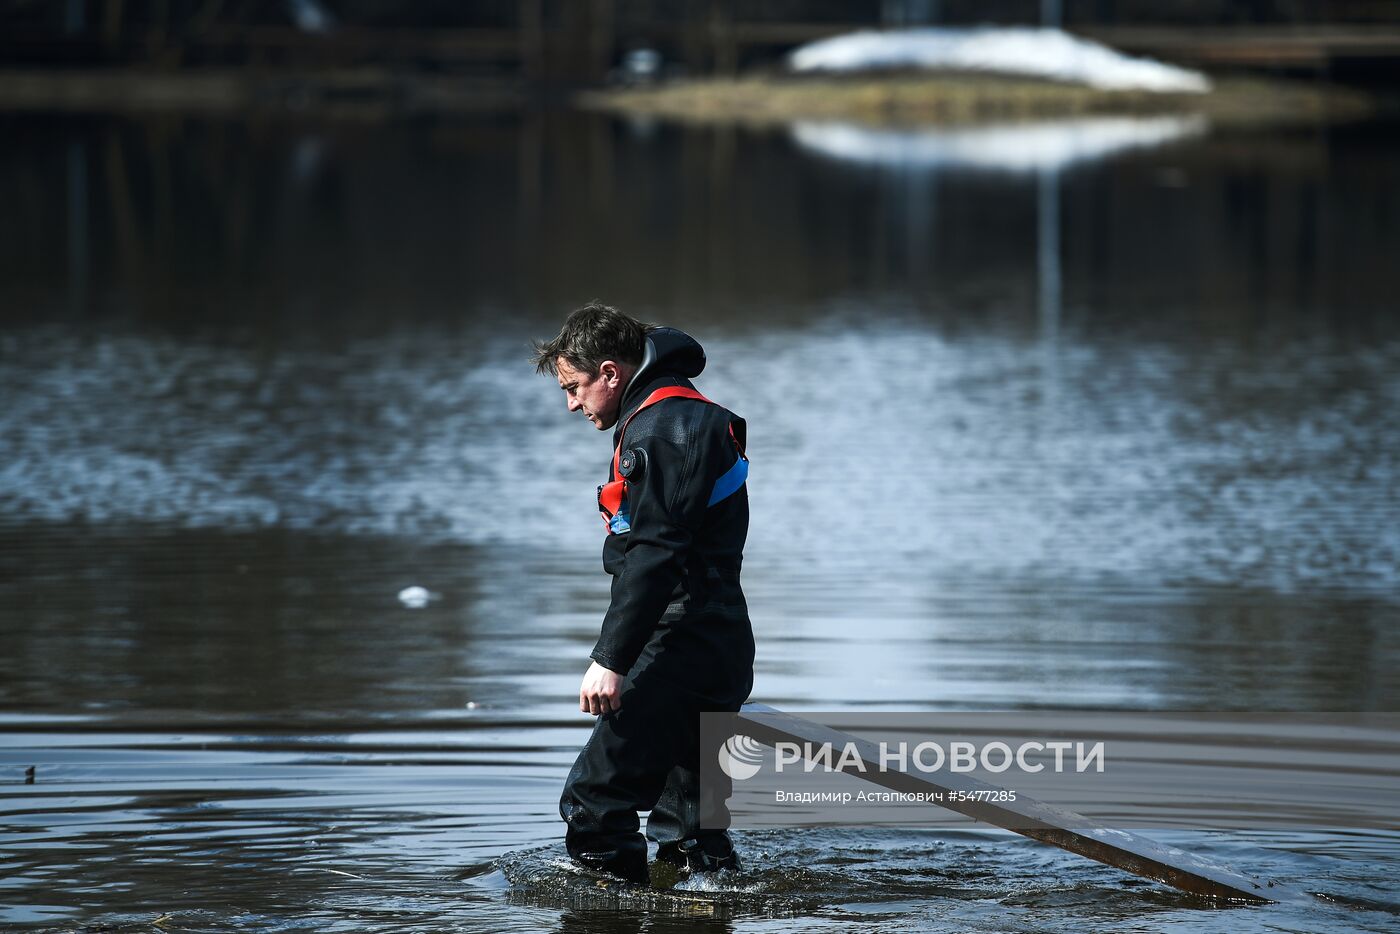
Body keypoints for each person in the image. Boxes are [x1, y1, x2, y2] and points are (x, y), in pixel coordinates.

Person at [532, 302, 755, 885]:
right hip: (714, 641)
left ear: (610, 372)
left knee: (594, 802)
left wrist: (610, 660)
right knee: (691, 827)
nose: (571, 404)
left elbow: (656, 553)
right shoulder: (677, 417)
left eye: (574, 387)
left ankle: (606, 919)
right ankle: (707, 912)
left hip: (682, 642)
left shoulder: (667, 428)